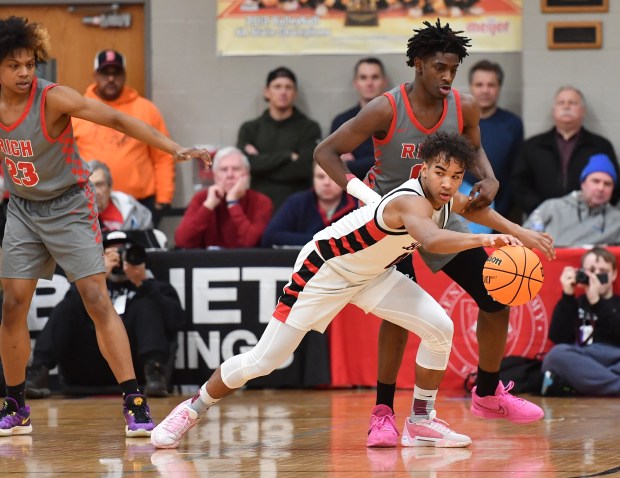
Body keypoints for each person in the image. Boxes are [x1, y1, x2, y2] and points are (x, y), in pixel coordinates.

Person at [151, 132, 555, 450]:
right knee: (265, 360)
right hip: (324, 271)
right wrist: (486, 243)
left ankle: (421, 422)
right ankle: (191, 409)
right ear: (421, 171)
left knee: (439, 327)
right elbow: (431, 240)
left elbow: (474, 208)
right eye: (440, 173)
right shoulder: (411, 203)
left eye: (455, 176)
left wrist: (520, 231)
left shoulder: (445, 196)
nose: (448, 183)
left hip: (372, 275)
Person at [314, 19, 549, 448]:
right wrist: (365, 196)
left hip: (440, 213)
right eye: (440, 67)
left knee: (498, 294)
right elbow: (325, 151)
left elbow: (474, 144)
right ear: (418, 64)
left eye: (453, 69)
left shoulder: (464, 106)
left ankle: (487, 392)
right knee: (401, 318)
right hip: (390, 223)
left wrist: (489, 177)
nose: (446, 76)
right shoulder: (385, 107)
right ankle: (383, 413)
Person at [0, 16, 211, 437]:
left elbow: (116, 120)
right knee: (11, 306)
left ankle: (134, 400)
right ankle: (15, 403)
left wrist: (172, 148)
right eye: (13, 65)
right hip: (24, 208)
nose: (25, 72)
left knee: (97, 297)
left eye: (30, 64)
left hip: (69, 206)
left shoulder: (54, 99)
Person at [25, 231, 184, 400]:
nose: (118, 258)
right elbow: (70, 309)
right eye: (110, 253)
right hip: (88, 364)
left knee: (144, 305)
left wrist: (143, 283)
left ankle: (154, 375)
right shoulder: (87, 289)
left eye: (124, 252)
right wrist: (96, 279)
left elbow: (176, 322)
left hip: (136, 369)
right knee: (67, 307)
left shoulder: (155, 287)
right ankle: (38, 374)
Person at [72, 49, 175, 224]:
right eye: (105, 73)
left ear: (124, 75)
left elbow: (163, 157)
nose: (111, 79)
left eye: (116, 73)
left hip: (139, 204)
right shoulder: (79, 111)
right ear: (95, 76)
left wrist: (163, 200)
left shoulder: (146, 110)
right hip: (88, 204)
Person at [512, 86, 619, 216]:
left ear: (583, 110)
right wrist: (540, 210)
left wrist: (589, 212)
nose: (566, 106)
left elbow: (614, 186)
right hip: (541, 220)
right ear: (554, 110)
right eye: (561, 103)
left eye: (572, 103)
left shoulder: (600, 146)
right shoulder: (532, 146)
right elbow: (519, 184)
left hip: (589, 222)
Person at [236, 66, 321, 211]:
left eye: (288, 87)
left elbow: (305, 168)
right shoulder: (250, 128)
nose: (283, 92)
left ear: (295, 93)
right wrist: (287, 155)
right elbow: (245, 165)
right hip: (257, 208)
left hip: (297, 207)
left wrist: (261, 163)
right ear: (267, 92)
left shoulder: (309, 128)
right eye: (277, 87)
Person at [541, 247, 620, 396]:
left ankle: (586, 385)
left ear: (614, 274)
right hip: (584, 358)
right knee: (555, 356)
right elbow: (557, 338)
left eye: (602, 271)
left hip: (615, 357)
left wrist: (597, 302)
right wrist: (567, 295)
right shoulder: (574, 303)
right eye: (590, 270)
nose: (596, 275)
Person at [175, 147, 273, 249]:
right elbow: (182, 241)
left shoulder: (261, 201)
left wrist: (233, 203)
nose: (230, 175)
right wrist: (208, 206)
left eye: (236, 169)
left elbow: (252, 242)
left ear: (247, 175)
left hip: (247, 262)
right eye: (224, 170)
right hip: (209, 263)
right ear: (215, 176)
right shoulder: (202, 198)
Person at [523, 154, 620, 247]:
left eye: (607, 184)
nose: (601, 188)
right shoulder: (552, 207)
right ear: (583, 183)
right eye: (595, 181)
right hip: (550, 261)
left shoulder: (617, 220)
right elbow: (525, 238)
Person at [467, 60, 523, 219]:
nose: (485, 90)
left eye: (491, 85)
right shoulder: (457, 122)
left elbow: (515, 173)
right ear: (471, 87)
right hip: (457, 212)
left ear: (499, 88)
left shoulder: (512, 124)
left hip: (500, 213)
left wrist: (501, 211)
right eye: (479, 85)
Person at [261, 162, 356, 247]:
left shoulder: (359, 206)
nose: (326, 182)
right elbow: (270, 237)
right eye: (320, 177)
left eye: (333, 177)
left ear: (345, 179)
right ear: (313, 179)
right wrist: (322, 240)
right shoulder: (297, 202)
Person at [330, 58, 388, 180]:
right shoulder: (341, 121)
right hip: (351, 191)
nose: (369, 83)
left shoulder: (396, 119)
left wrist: (352, 163)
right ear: (356, 83)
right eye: (363, 77)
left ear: (384, 82)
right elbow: (335, 166)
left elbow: (392, 161)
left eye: (375, 77)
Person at [90, 160, 154, 233]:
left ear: (110, 187)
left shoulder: (130, 207)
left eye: (100, 185)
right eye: (90, 186)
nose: (95, 191)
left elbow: (148, 237)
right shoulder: (77, 216)